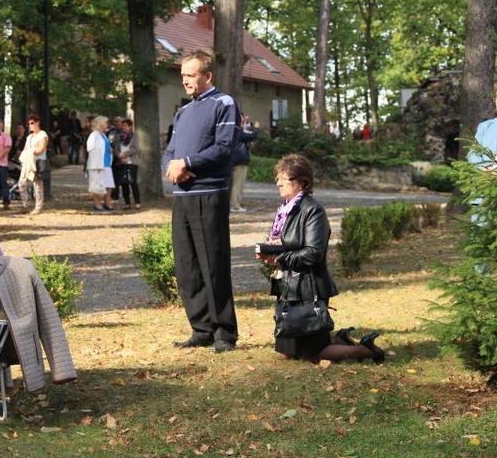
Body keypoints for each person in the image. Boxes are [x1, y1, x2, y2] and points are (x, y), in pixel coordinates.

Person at [256, 154, 384, 363]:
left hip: (309, 288)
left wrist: (281, 259)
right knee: (286, 353)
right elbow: (287, 244)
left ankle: (366, 350)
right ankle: (340, 341)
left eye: (283, 178)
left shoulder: (313, 211)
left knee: (312, 355)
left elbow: (313, 253)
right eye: (277, 178)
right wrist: (270, 254)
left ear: (301, 182)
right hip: (290, 286)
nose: (277, 183)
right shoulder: (286, 210)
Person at [163, 48, 239, 353]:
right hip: (182, 197)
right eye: (182, 75)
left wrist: (188, 163)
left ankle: (224, 333)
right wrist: (172, 168)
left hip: (209, 195)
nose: (184, 81)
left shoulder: (224, 104)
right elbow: (169, 150)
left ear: (207, 75)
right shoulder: (182, 112)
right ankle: (201, 328)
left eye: (190, 75)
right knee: (187, 266)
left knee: (213, 265)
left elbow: (224, 148)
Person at [18, 115, 48, 215]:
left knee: (37, 184)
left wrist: (30, 152)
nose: (30, 125)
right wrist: (25, 154)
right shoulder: (29, 137)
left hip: (38, 161)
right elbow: (25, 149)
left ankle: (38, 206)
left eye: (32, 123)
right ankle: (24, 205)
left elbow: (41, 149)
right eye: (29, 123)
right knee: (22, 183)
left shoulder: (42, 134)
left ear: (37, 123)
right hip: (28, 162)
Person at [229, 117, 259, 213]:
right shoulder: (237, 132)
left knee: (230, 185)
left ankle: (229, 204)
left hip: (231, 161)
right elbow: (253, 136)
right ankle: (235, 206)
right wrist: (256, 128)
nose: (244, 123)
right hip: (240, 162)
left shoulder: (230, 131)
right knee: (238, 185)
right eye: (242, 121)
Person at [86, 116, 115, 211]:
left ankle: (107, 202)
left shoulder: (103, 135)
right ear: (101, 124)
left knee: (109, 185)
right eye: (105, 123)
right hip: (98, 164)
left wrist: (110, 149)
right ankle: (97, 204)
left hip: (106, 163)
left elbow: (105, 147)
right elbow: (91, 149)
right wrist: (95, 164)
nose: (107, 125)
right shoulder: (94, 135)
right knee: (97, 185)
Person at [118, 119, 141, 210]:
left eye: (126, 125)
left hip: (132, 162)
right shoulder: (120, 136)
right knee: (124, 183)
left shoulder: (134, 135)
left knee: (133, 182)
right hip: (123, 162)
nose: (124, 127)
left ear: (130, 126)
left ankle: (137, 202)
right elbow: (117, 147)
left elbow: (135, 149)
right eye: (123, 125)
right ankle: (127, 203)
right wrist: (120, 156)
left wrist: (125, 154)